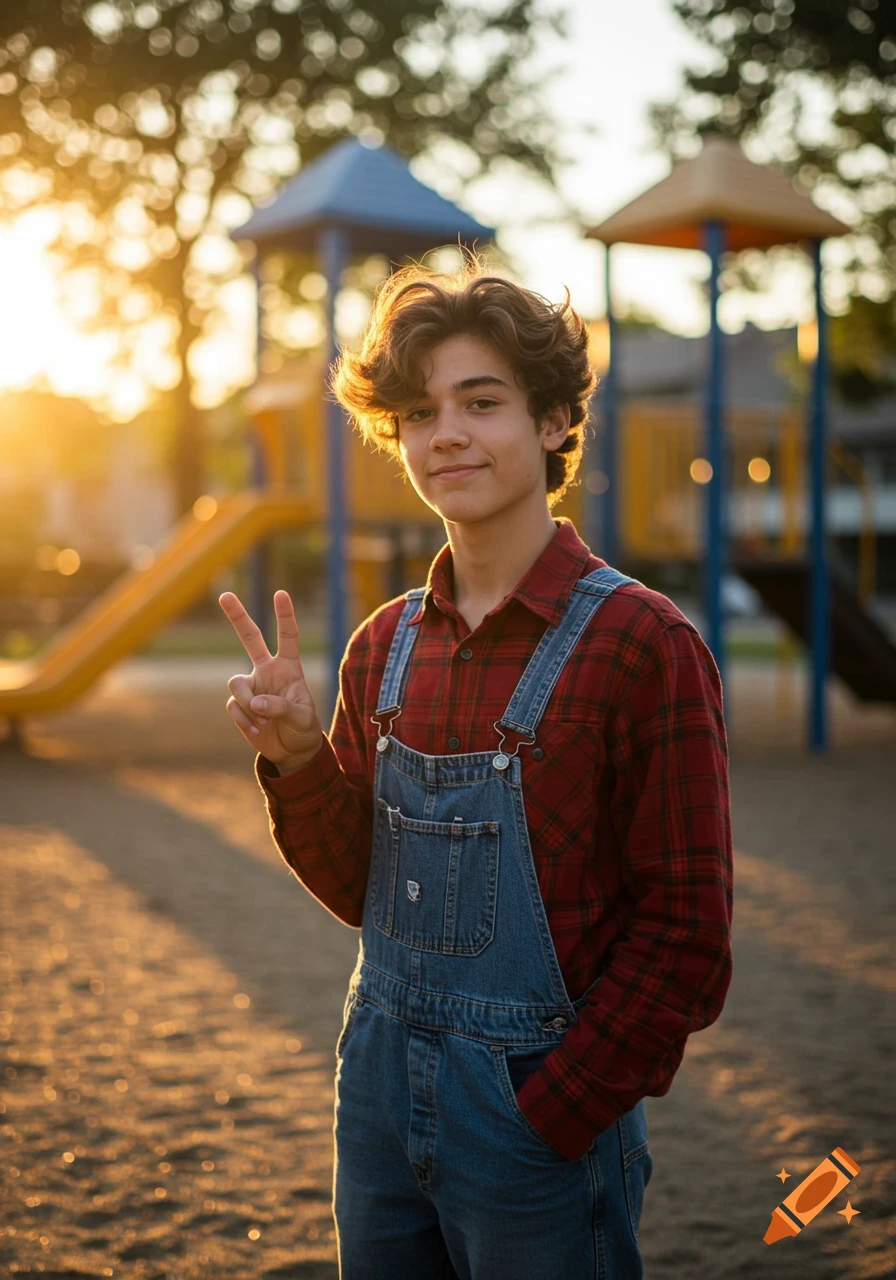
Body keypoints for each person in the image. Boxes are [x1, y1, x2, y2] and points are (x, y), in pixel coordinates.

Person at [219, 253, 733, 1279]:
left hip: (535, 1122)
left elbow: (685, 930)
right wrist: (296, 761)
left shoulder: (641, 643)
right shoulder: (382, 644)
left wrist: (556, 1107)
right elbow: (358, 887)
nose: (443, 431)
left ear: (550, 423)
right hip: (371, 1098)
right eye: (416, 411)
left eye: (480, 401)